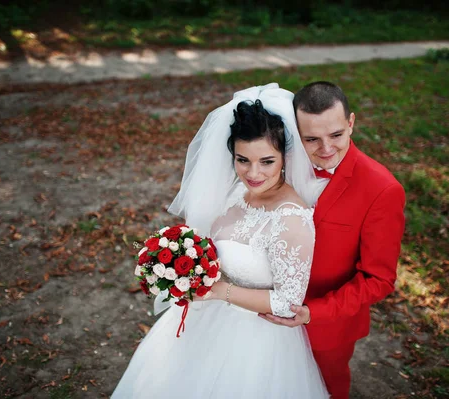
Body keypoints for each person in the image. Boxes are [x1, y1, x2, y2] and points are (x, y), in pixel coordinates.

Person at [111, 84, 329, 398]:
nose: (253, 173)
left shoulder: (291, 219)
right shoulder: (233, 193)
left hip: (255, 345)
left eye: (266, 161)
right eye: (243, 160)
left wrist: (217, 291)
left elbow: (287, 304)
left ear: (285, 157)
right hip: (203, 320)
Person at [259, 81, 406, 399]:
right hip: (261, 312)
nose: (326, 149)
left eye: (336, 135)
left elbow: (378, 279)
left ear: (351, 122)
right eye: (311, 138)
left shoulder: (382, 190)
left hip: (325, 326)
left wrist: (313, 312)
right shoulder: (274, 167)